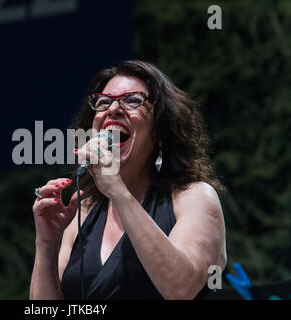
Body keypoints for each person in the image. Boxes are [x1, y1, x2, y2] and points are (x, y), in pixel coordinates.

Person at [30, 60, 227, 300]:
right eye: (103, 102)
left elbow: (180, 289)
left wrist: (118, 192)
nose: (113, 109)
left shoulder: (195, 198)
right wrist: (47, 243)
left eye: (132, 100)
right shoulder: (83, 210)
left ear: (161, 132)